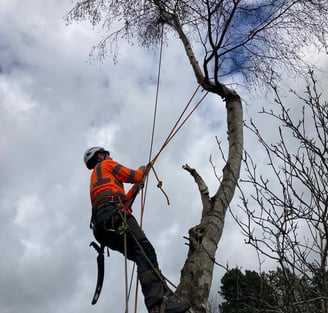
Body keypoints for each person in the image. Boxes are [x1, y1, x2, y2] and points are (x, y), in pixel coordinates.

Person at [84, 146, 190, 313]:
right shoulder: (105, 165)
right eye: (107, 154)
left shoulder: (100, 179)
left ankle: (162, 298)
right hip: (113, 214)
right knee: (146, 251)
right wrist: (142, 172)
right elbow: (134, 176)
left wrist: (139, 184)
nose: (110, 156)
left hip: (102, 226)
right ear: (100, 156)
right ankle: (158, 306)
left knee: (143, 257)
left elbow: (127, 195)